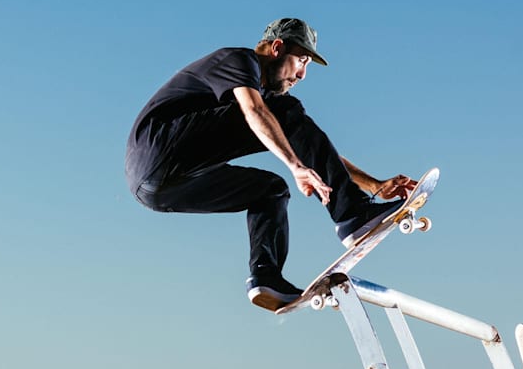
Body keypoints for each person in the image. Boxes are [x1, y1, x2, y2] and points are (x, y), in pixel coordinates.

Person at [125, 18, 418, 311]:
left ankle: (266, 279)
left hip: (155, 188)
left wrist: (375, 185)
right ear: (277, 48)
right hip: (160, 147)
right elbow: (254, 111)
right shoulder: (240, 61)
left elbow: (308, 147)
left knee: (271, 190)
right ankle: (352, 213)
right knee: (285, 111)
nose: (302, 75)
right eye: (301, 60)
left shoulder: (264, 100)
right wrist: (295, 166)